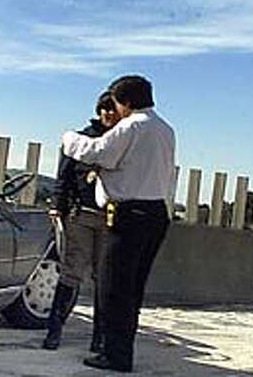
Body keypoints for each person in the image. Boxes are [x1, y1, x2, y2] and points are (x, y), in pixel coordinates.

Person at [61, 75, 175, 373]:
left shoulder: (131, 126)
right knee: (132, 288)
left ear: (125, 102)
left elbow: (98, 153)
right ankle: (122, 348)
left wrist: (69, 140)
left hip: (128, 216)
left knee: (113, 288)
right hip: (155, 214)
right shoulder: (165, 129)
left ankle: (115, 355)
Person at [42, 91, 119, 352]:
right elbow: (63, 177)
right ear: (98, 111)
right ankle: (54, 329)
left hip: (111, 218)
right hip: (81, 215)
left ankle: (100, 337)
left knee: (104, 278)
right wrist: (57, 206)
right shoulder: (81, 138)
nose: (108, 114)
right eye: (104, 109)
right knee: (71, 273)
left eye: (113, 109)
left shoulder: (123, 139)